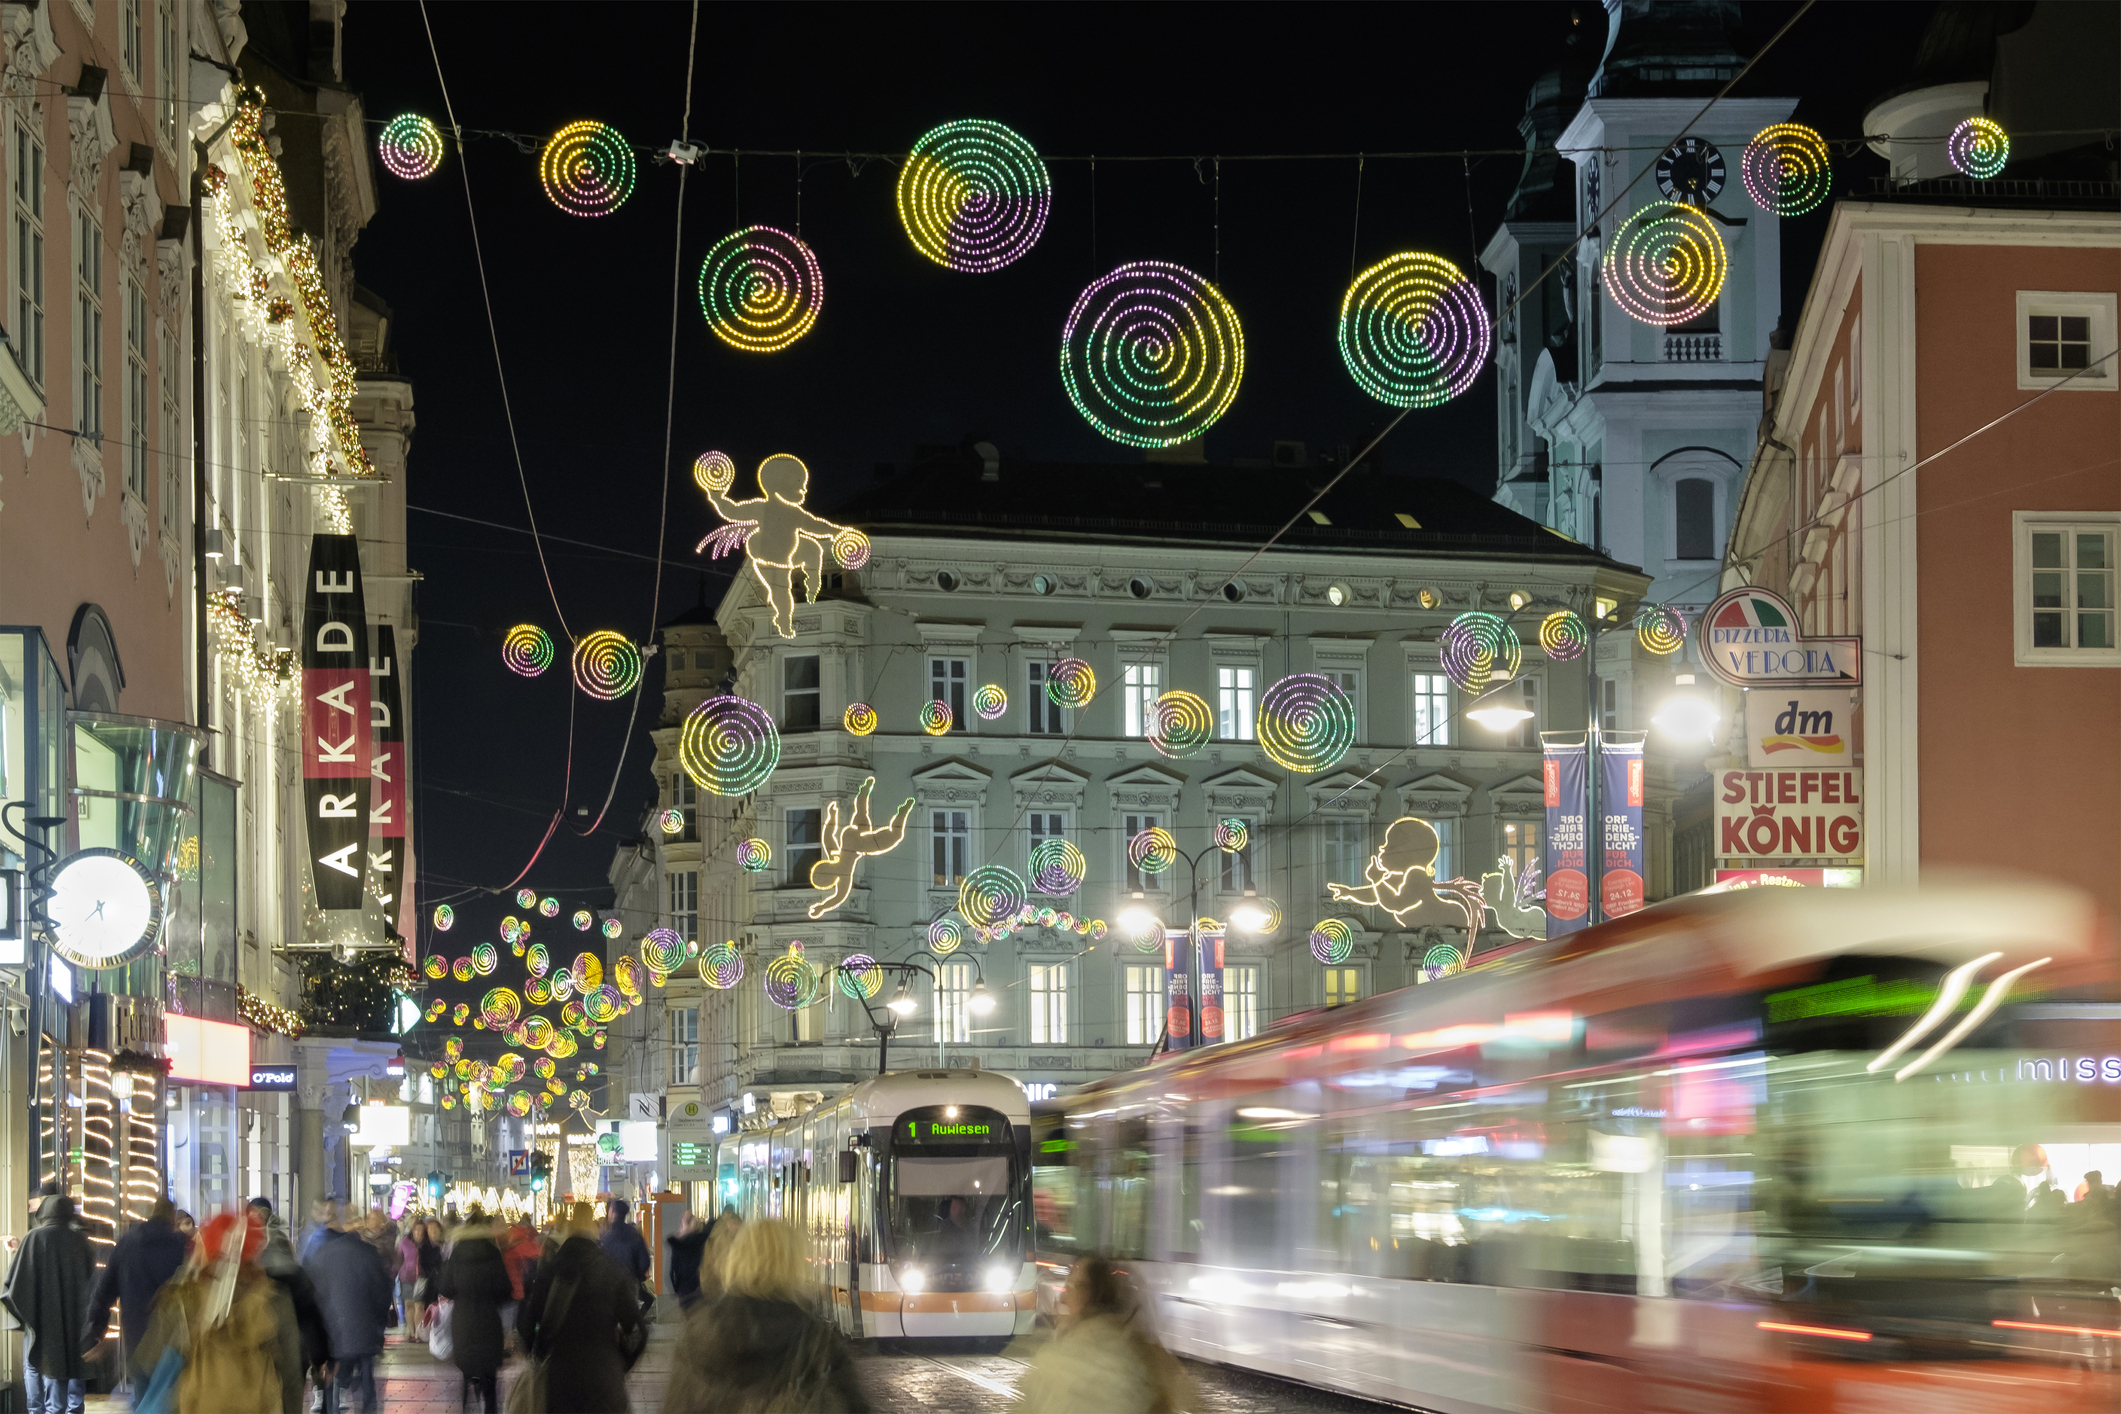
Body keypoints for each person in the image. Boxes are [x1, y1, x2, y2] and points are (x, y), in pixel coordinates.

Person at [662, 1218, 869, 1414]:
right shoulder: (818, 1341)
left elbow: (677, 1406)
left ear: (737, 1260)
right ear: (794, 1265)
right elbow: (853, 1406)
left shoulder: (702, 1331)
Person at [126, 1211, 305, 1414]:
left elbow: (148, 1359)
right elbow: (291, 1373)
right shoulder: (274, 1297)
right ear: (255, 1249)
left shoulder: (186, 1294)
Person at [1018, 1255, 1190, 1414]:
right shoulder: (1155, 1364)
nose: (1063, 1299)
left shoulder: (1056, 1365)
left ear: (1091, 1296)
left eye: (1071, 1288)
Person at [517, 1204, 644, 1414]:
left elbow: (527, 1323)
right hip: (604, 1376)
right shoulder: (612, 1270)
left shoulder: (549, 1271)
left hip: (560, 1377)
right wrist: (621, 1361)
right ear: (594, 1231)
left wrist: (538, 1352)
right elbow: (637, 1328)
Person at [82, 1197, 190, 1387]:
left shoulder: (128, 1243)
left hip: (137, 1338)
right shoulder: (182, 1246)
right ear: (172, 1217)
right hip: (174, 1340)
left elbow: (104, 1291)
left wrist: (96, 1331)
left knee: (142, 1394)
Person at [4, 1191, 93, 1414]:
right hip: (73, 1319)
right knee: (68, 1365)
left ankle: (36, 1410)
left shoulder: (35, 1237)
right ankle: (67, 1409)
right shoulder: (80, 1241)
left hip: (40, 1317)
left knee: (33, 1365)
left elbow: (15, 1281)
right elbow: (91, 1281)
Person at [305, 1204, 392, 1414]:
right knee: (367, 1381)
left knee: (335, 1383)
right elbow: (383, 1291)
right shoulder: (370, 1253)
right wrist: (379, 1325)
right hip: (366, 1328)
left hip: (337, 1331)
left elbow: (316, 1293)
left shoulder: (324, 1253)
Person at [435, 1214, 512, 1414]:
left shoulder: (456, 1254)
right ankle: (490, 1408)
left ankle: (467, 1406)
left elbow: (445, 1287)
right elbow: (505, 1290)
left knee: (467, 1370)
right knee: (489, 1376)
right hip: (488, 1319)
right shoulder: (493, 1253)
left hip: (463, 1320)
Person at [599, 1199, 652, 1311]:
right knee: (628, 1315)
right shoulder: (634, 1235)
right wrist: (637, 1276)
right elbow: (645, 1261)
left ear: (613, 1213)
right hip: (630, 1282)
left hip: (610, 1284)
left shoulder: (606, 1236)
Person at [665, 1212, 710, 1310]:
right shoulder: (704, 1240)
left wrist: (675, 1289)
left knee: (688, 1318)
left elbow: (673, 1269)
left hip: (684, 1288)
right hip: (701, 1285)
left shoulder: (679, 1244)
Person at [296, 1201, 337, 1266]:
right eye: (316, 1209)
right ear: (311, 1211)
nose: (319, 1213)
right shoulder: (305, 1235)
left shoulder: (331, 1232)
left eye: (324, 1212)